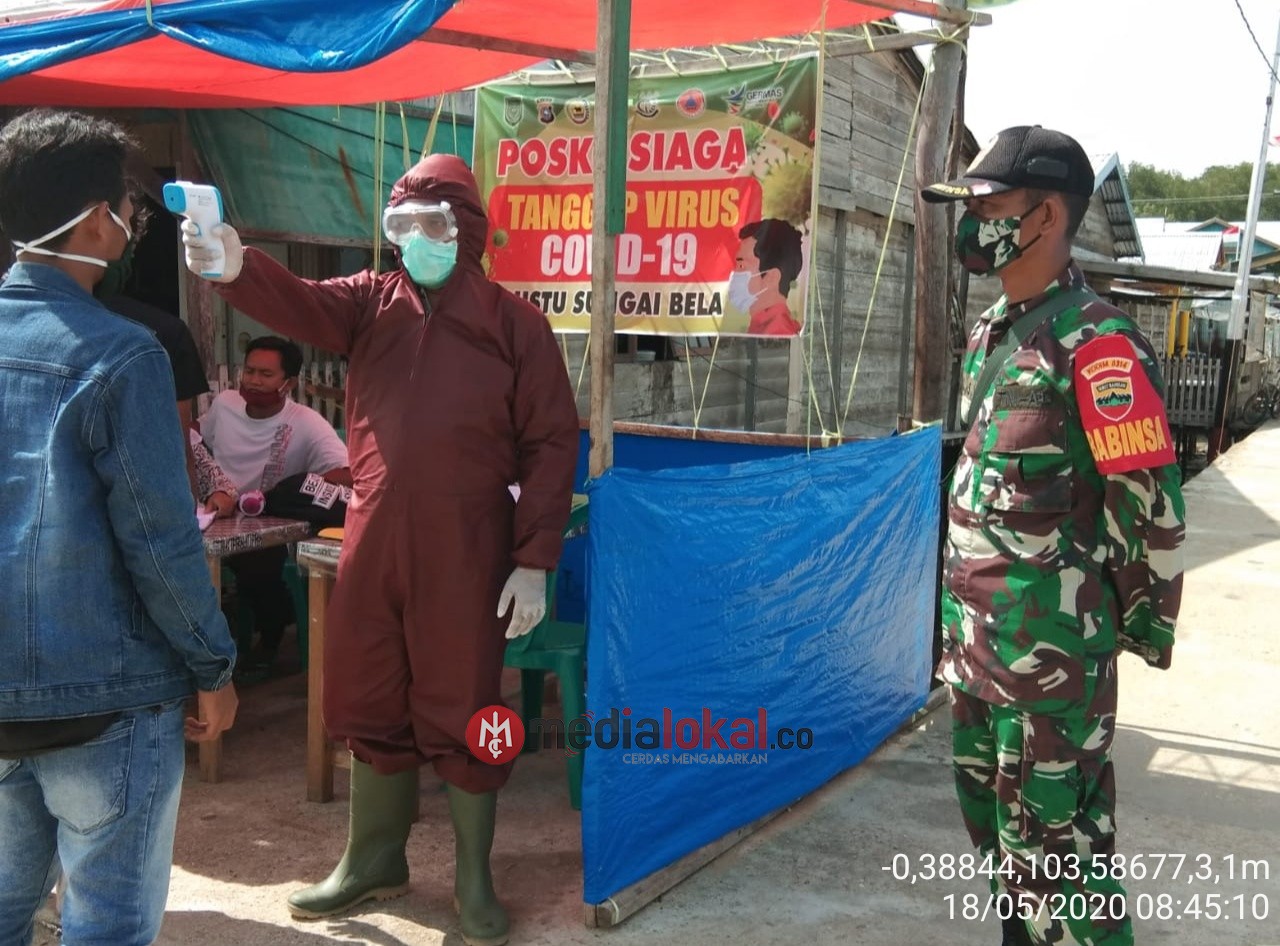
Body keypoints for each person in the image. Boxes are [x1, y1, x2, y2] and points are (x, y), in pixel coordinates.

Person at [182, 153, 579, 946]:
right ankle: (374, 858)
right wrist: (234, 265)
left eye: (428, 227)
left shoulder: (515, 326)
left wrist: (534, 557)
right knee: (366, 690)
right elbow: (297, 301)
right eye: (398, 228)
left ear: (464, 231)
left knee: (465, 701)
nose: (410, 243)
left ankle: (473, 877)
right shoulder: (369, 304)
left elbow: (550, 442)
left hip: (468, 546)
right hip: (372, 534)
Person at [922, 126, 1185, 946]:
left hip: (1052, 667)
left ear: (1043, 217)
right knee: (1004, 857)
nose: (972, 222)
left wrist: (1131, 630)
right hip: (975, 653)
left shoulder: (1098, 345)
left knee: (1059, 865)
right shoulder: (993, 334)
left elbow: (1149, 509)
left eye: (989, 205)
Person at [0, 109, 238, 946]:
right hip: (108, 704)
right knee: (104, 929)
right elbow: (160, 538)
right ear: (98, 217)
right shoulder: (124, 354)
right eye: (131, 206)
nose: (135, 223)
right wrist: (213, 664)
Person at [198, 334, 350, 672]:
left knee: (259, 568)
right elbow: (200, 443)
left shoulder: (307, 424)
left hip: (263, 523)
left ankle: (269, 643)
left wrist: (284, 492)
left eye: (265, 375)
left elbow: (347, 472)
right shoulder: (224, 405)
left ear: (288, 382)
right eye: (249, 371)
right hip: (213, 515)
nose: (253, 380)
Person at [729, 218, 804, 336]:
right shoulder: (761, 329)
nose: (733, 273)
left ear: (772, 277)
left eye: (741, 265)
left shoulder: (777, 335)